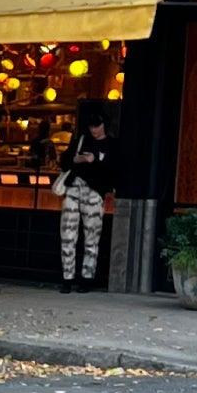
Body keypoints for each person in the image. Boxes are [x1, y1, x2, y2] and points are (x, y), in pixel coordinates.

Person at [58, 113, 117, 293]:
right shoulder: (80, 140)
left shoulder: (111, 144)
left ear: (104, 125)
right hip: (75, 187)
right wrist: (76, 159)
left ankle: (86, 278)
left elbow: (113, 169)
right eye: (92, 126)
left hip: (94, 191)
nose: (94, 130)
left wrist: (95, 161)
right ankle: (68, 278)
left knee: (92, 236)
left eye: (97, 126)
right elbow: (64, 161)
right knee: (68, 234)